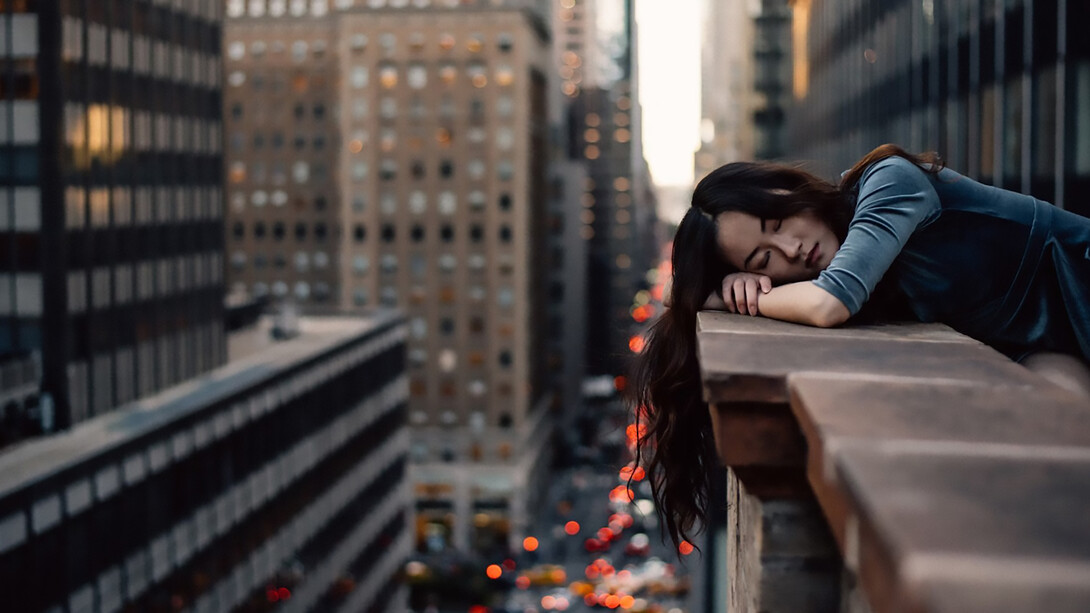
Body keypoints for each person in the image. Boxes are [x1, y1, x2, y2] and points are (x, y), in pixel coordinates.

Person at [629, 143, 1090, 549]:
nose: (791, 248)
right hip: (1044, 342)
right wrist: (726, 286)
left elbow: (830, 304)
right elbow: (674, 294)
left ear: (792, 189)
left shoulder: (889, 181)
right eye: (764, 258)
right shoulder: (857, 267)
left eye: (779, 220)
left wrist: (741, 294)